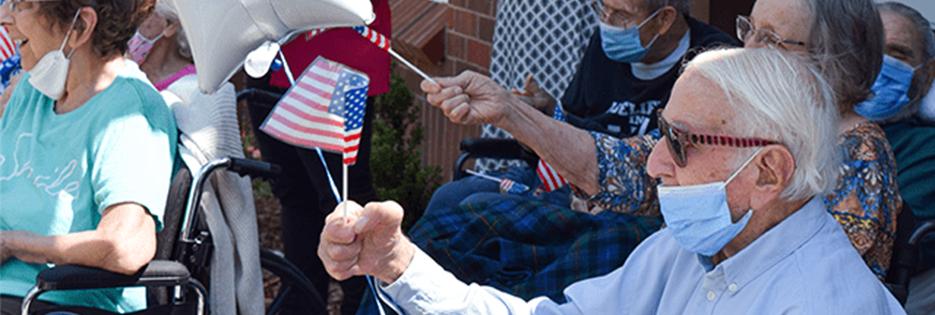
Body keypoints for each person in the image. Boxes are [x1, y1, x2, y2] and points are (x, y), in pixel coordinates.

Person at [319, 48, 905, 314]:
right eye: (660, 136)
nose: (653, 164)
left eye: (679, 142)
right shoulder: (690, 248)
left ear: (769, 172)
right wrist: (397, 264)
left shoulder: (824, 302)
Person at [408, 0, 737, 301]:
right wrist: (544, 112)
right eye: (602, 9)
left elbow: (664, 173)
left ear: (664, 19)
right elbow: (579, 122)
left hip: (639, 213)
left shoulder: (711, 65)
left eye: (620, 15)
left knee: (496, 232)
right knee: (450, 202)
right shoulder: (604, 48)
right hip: (570, 187)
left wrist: (516, 115)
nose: (607, 23)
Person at [0, 0, 177, 313]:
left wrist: (14, 243)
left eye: (21, 5)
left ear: (81, 24)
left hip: (52, 301)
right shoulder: (29, 90)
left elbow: (126, 246)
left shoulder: (128, 112)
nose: (4, 18)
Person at [245, 0, 390, 313]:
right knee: (293, 192)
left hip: (334, 50)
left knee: (342, 197)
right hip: (266, 51)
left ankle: (369, 306)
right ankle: (301, 303)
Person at [133, 2, 265, 314]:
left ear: (170, 25)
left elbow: (230, 188)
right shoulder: (121, 83)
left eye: (140, 11)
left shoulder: (203, 90)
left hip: (164, 228)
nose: (128, 22)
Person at [872, 3, 935, 313]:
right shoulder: (809, 133)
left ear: (927, 75)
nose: (878, 64)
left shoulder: (927, 148)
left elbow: (880, 242)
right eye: (867, 49)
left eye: (897, 54)